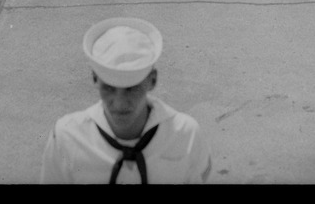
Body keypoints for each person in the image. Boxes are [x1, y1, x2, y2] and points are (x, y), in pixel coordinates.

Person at [40, 17, 212, 185]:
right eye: (109, 87)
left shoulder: (185, 134)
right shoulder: (67, 138)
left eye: (132, 88)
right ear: (94, 79)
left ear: (152, 80)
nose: (120, 103)